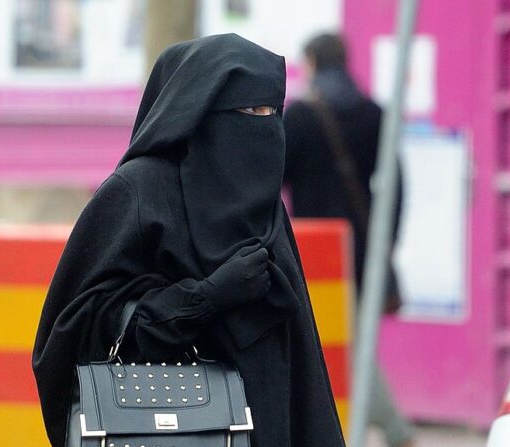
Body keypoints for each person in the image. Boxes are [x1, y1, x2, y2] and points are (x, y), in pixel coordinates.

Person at [32, 34, 346, 447]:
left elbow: (301, 361)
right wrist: (205, 299)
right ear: (199, 113)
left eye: (273, 111)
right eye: (249, 110)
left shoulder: (265, 208)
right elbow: (73, 332)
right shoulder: (138, 192)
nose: (264, 125)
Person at [283, 33, 415, 447]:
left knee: (340, 345)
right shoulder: (373, 114)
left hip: (314, 250)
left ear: (313, 63)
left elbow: (275, 178)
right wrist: (385, 243)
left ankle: (392, 429)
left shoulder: (300, 117)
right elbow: (396, 183)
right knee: (350, 341)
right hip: (362, 250)